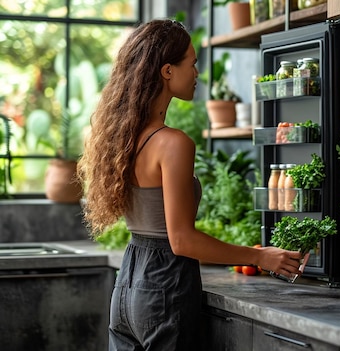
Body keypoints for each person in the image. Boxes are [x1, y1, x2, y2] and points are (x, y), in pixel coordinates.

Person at [77, 19, 303, 350]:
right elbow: (181, 240)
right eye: (193, 63)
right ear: (167, 70)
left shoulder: (121, 138)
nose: (197, 73)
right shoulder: (173, 143)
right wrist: (261, 257)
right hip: (165, 287)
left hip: (127, 285)